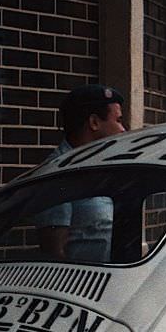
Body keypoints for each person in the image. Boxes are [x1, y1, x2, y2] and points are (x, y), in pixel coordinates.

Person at [36, 84, 127, 261]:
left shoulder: (99, 166)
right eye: (118, 121)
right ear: (94, 122)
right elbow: (54, 251)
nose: (123, 130)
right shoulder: (59, 173)